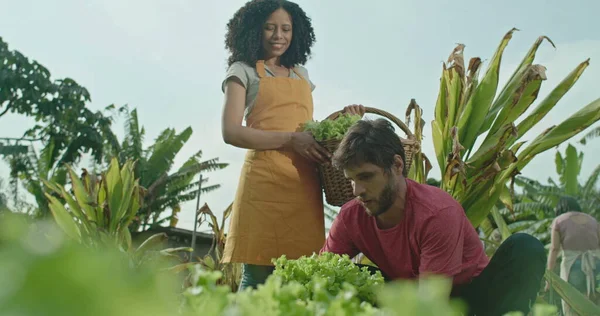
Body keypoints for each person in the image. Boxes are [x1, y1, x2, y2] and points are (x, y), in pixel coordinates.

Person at [320, 118, 547, 316]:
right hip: (412, 295)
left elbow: (432, 303)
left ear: (397, 165)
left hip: (470, 298)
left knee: (525, 247)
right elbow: (321, 270)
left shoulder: (436, 213)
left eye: (366, 177)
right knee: (355, 275)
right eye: (351, 180)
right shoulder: (351, 216)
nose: (357, 190)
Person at [220, 0, 365, 291]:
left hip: (303, 182)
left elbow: (306, 128)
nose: (278, 35)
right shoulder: (243, 71)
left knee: (298, 276)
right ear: (254, 30)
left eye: (286, 28)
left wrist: (341, 120)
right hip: (264, 183)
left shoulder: (301, 74)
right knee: (259, 276)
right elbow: (231, 131)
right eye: (270, 27)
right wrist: (290, 140)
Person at [546, 196, 600, 315]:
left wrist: (549, 277)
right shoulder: (592, 220)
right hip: (596, 264)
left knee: (572, 305)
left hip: (573, 266)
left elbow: (554, 248)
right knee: (595, 304)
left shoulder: (559, 221)